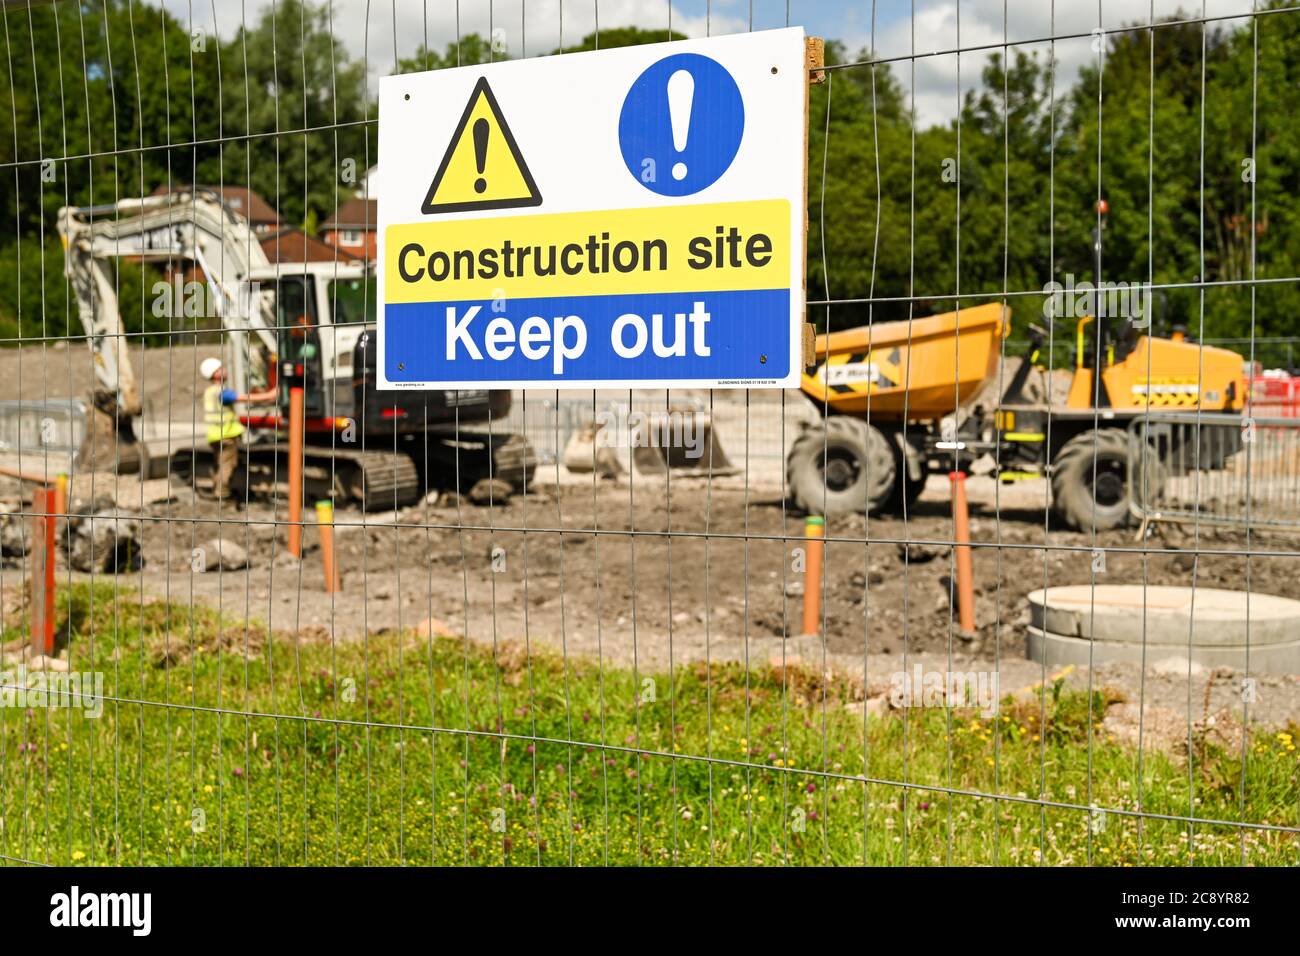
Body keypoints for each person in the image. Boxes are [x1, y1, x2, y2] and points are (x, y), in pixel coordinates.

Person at [200, 357, 276, 500]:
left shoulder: (209, 392)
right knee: (228, 465)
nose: (225, 370)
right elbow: (241, 398)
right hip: (226, 436)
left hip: (215, 436)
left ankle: (218, 490)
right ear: (215, 374)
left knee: (220, 464)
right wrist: (269, 395)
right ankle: (223, 495)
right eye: (221, 368)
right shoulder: (221, 392)